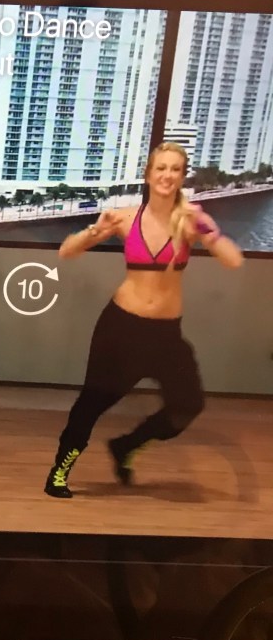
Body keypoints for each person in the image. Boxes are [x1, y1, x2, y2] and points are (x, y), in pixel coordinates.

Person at [44, 141, 244, 499]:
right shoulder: (125, 217)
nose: (167, 175)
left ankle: (127, 446)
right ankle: (60, 470)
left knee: (188, 405)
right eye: (161, 168)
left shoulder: (190, 222)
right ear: (148, 175)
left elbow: (233, 260)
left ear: (182, 177)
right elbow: (66, 251)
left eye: (175, 169)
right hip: (121, 328)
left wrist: (209, 232)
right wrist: (94, 231)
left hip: (166, 335)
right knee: (93, 401)